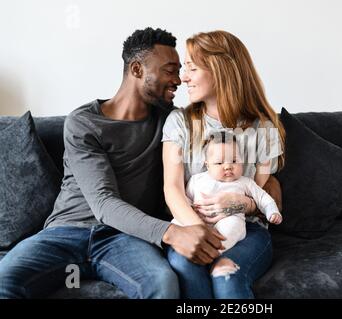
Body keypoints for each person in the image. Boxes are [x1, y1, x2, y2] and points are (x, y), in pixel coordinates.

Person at [0, 27, 225, 299]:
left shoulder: (172, 122)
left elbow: (222, 142)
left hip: (125, 239)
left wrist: (265, 178)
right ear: (137, 69)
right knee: (4, 281)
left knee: (162, 285)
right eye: (169, 70)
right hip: (64, 233)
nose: (179, 79)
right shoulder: (84, 122)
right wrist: (171, 233)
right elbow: (103, 202)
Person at [162, 30, 286, 298]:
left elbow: (258, 191)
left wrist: (245, 205)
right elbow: (172, 189)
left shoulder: (264, 129)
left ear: (220, 70)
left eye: (192, 69)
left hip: (246, 229)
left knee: (225, 273)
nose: (183, 78)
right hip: (190, 225)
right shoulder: (179, 123)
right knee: (187, 265)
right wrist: (198, 231)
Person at [172, 131, 282, 253]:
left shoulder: (245, 182)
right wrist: (191, 210)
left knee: (233, 226)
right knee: (177, 222)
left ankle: (216, 250)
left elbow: (263, 197)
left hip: (229, 219)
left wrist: (272, 211)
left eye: (234, 161)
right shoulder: (197, 180)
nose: (228, 166)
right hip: (198, 219)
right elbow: (186, 199)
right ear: (207, 165)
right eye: (219, 163)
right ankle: (184, 246)